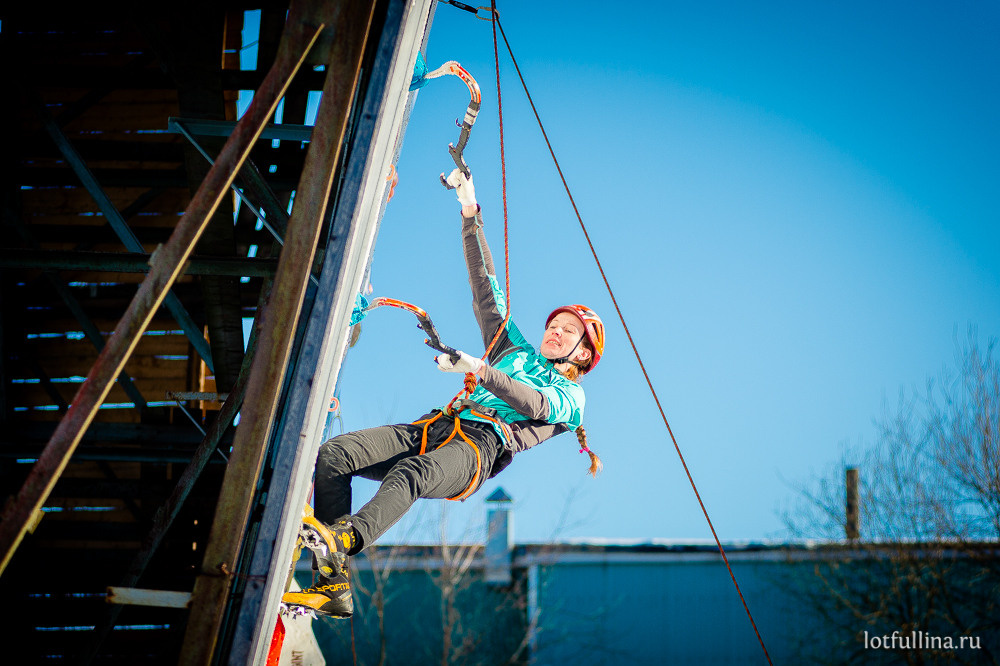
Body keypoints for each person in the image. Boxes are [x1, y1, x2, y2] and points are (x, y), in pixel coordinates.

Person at [282, 165, 605, 618]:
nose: (555, 331)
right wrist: (470, 210)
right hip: (437, 425)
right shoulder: (514, 349)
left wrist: (478, 369)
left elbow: (533, 403)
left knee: (411, 473)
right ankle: (332, 584)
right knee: (335, 456)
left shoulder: (572, 398)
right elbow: (485, 288)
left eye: (568, 330)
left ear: (583, 353)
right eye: (554, 324)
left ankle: (344, 538)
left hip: (479, 447)